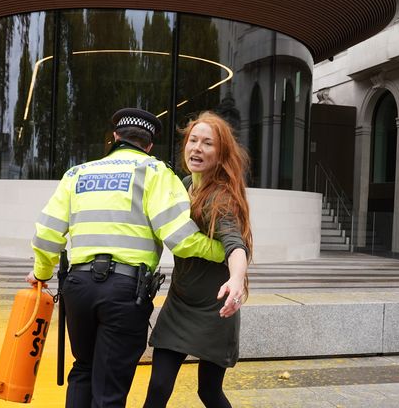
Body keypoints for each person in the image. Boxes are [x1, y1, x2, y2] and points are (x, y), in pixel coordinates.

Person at [27, 107, 233, 408]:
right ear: (149, 145)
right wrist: (222, 251)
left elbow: (46, 236)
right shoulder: (155, 172)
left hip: (78, 288)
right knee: (109, 384)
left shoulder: (77, 174)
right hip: (125, 292)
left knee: (83, 369)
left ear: (115, 137)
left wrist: (42, 273)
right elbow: (180, 239)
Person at [144, 111, 253, 408]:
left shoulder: (221, 196)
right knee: (158, 388)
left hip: (215, 309)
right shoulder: (184, 185)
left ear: (221, 154)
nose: (197, 148)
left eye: (207, 143)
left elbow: (235, 243)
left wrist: (235, 281)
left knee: (208, 392)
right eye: (193, 140)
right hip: (180, 303)